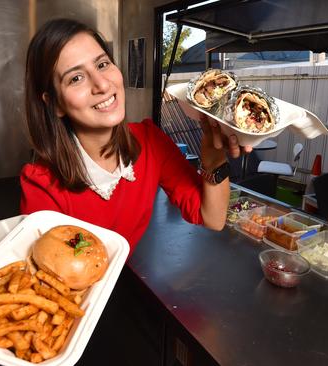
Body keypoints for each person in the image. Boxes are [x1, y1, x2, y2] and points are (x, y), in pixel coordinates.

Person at [20, 18, 252, 255]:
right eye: (76, 78)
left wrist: (214, 159)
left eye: (102, 65)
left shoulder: (150, 140)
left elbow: (212, 218)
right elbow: (47, 280)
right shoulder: (41, 185)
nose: (101, 84)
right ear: (54, 104)